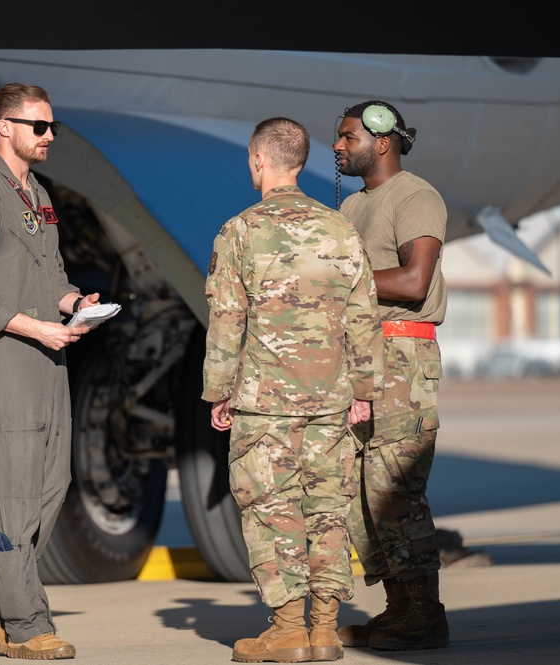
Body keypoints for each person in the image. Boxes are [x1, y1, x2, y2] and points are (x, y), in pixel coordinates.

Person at [202, 117, 384, 663]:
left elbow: (227, 320)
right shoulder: (339, 230)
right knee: (328, 509)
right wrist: (365, 389)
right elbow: (363, 316)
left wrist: (219, 391)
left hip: (265, 404)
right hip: (331, 400)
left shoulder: (240, 231)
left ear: (258, 160)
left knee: (270, 509)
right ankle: (326, 629)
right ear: (300, 162)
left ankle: (288, 629)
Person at [0, 81, 100, 661]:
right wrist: (36, 327)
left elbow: (51, 276)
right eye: (39, 126)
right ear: (4, 127)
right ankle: (26, 623)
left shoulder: (38, 195)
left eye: (52, 125)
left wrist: (75, 304)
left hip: (45, 351)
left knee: (51, 484)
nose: (50, 135)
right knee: (13, 494)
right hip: (2, 354)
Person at [332, 100, 450, 650]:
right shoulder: (354, 204)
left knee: (395, 490)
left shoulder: (416, 196)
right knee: (360, 492)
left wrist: (334, 283)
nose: (337, 146)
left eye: (347, 137)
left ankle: (425, 612)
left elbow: (413, 281)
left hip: (402, 359)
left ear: (382, 141)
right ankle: (399, 605)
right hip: (362, 357)